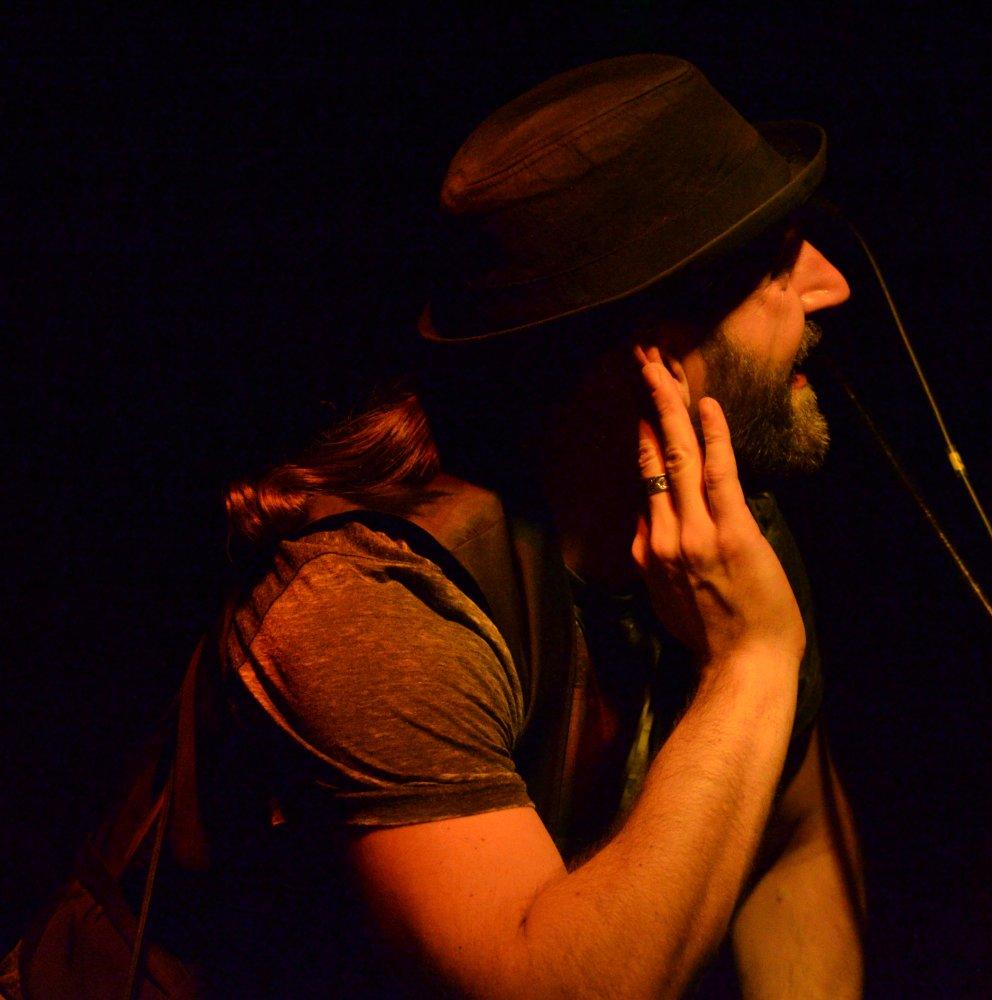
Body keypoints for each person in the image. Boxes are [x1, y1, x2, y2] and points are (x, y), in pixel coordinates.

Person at [166, 54, 865, 997]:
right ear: (650, 349)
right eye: (775, 263)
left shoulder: (722, 537)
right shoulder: (374, 600)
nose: (831, 284)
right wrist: (750, 664)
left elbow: (793, 847)